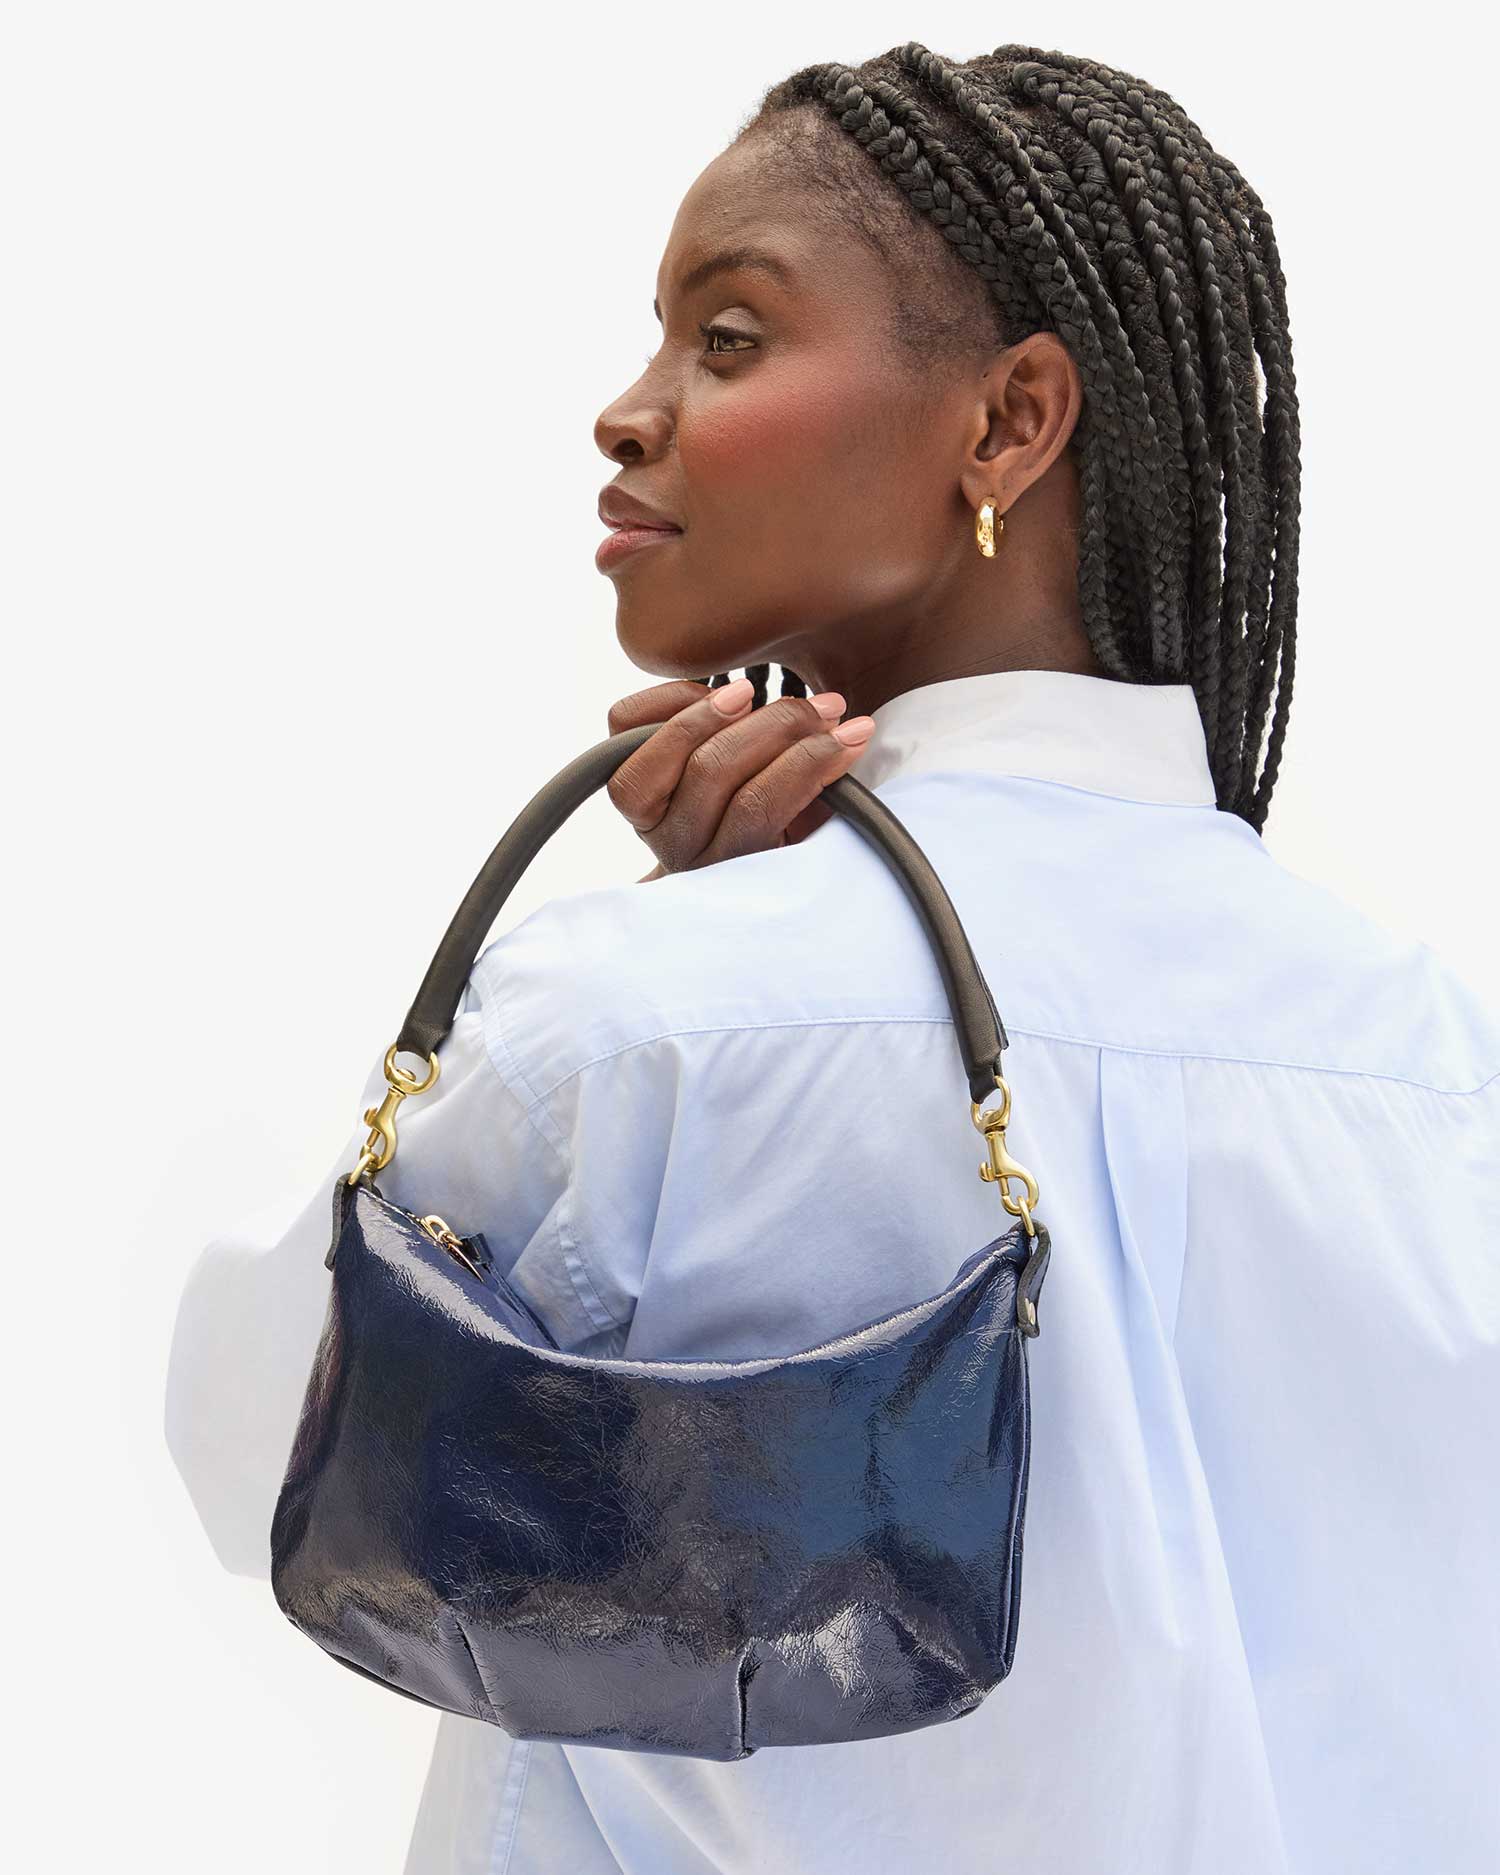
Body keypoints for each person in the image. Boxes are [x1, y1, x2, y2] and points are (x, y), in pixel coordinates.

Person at [165, 41, 1500, 1875]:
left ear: (1010, 425)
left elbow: (278, 1458)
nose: (628, 414)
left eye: (728, 337)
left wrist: (723, 946)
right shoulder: (1441, 1069)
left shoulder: (641, 1035)